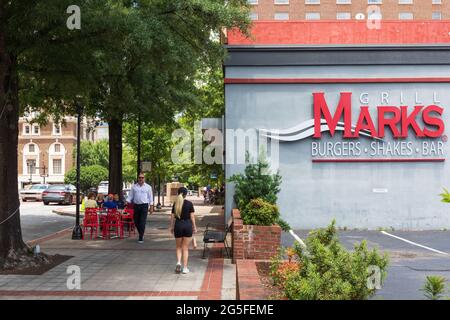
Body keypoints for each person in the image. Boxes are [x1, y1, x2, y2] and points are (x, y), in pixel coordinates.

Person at [169, 187, 197, 274]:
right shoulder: (189, 204)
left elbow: (172, 217)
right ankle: (185, 268)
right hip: (187, 225)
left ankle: (178, 262)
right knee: (185, 248)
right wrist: (194, 226)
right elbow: (192, 216)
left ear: (178, 193)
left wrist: (172, 227)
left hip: (178, 225)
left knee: (178, 247)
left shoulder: (175, 203)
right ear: (186, 194)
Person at [126, 173, 154, 243]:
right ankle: (141, 232)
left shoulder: (148, 187)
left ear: (144, 178)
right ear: (138, 178)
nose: (141, 179)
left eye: (142, 177)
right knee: (136, 221)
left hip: (144, 206)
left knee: (142, 222)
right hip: (136, 205)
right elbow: (130, 196)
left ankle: (140, 237)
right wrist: (127, 202)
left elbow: (150, 198)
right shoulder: (134, 187)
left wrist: (151, 207)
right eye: (139, 177)